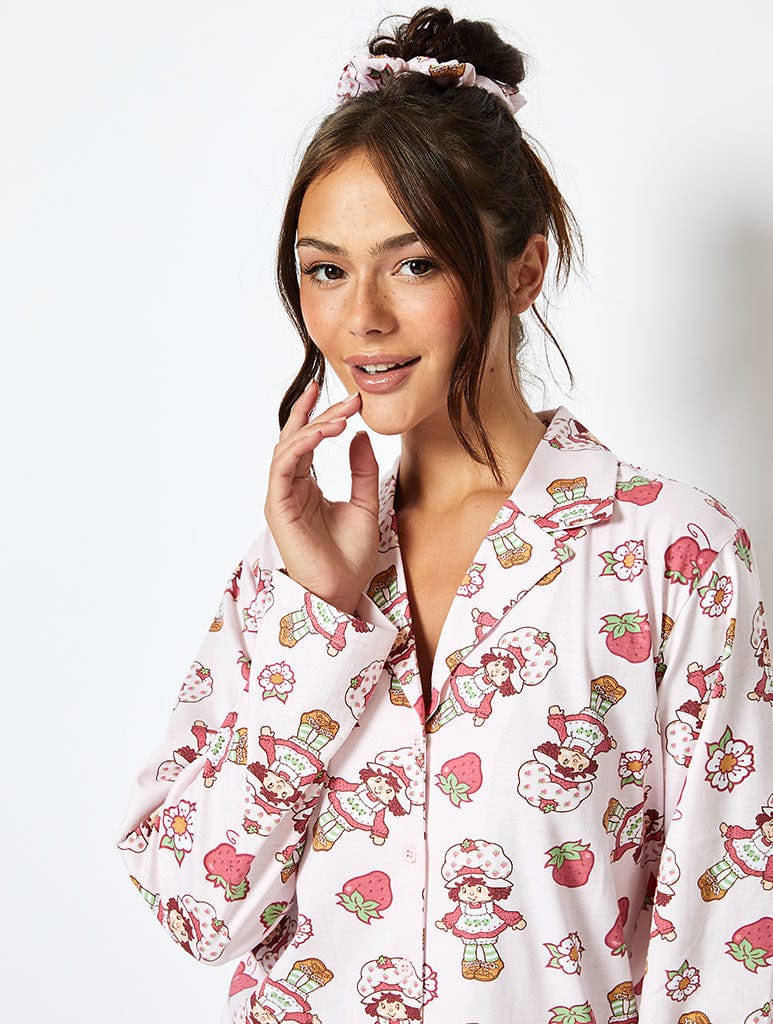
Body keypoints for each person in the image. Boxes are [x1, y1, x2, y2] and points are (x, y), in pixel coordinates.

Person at [116, 7, 773, 1022]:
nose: (360, 318)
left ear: (522, 271)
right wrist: (318, 619)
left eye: (413, 262)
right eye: (325, 269)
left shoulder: (671, 556)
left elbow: (728, 954)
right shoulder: (288, 573)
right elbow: (199, 913)